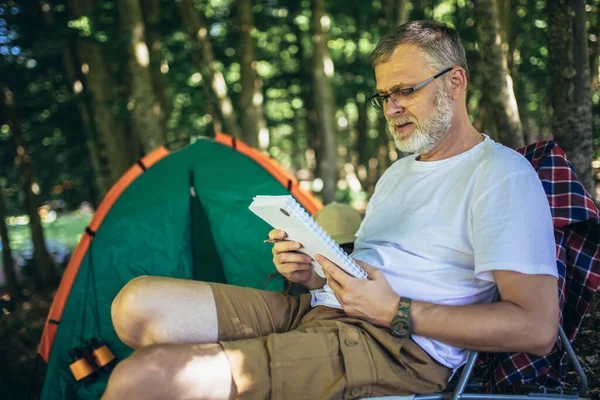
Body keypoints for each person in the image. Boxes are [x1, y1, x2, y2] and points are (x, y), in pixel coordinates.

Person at [103, 21, 559, 400]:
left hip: (394, 346)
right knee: (136, 305)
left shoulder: (501, 175)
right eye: (384, 96)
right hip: (320, 308)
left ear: (455, 81)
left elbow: (537, 328)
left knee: (140, 379)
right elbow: (370, 271)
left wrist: (397, 311)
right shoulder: (399, 174)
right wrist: (314, 272)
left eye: (405, 90)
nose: (392, 108)